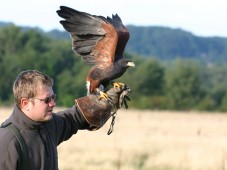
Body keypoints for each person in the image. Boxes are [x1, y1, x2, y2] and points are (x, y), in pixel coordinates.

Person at [0, 70, 131, 170]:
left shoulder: (48, 124)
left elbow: (75, 117)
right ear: (25, 103)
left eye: (53, 97)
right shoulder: (7, 142)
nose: (53, 103)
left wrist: (104, 103)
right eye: (47, 100)